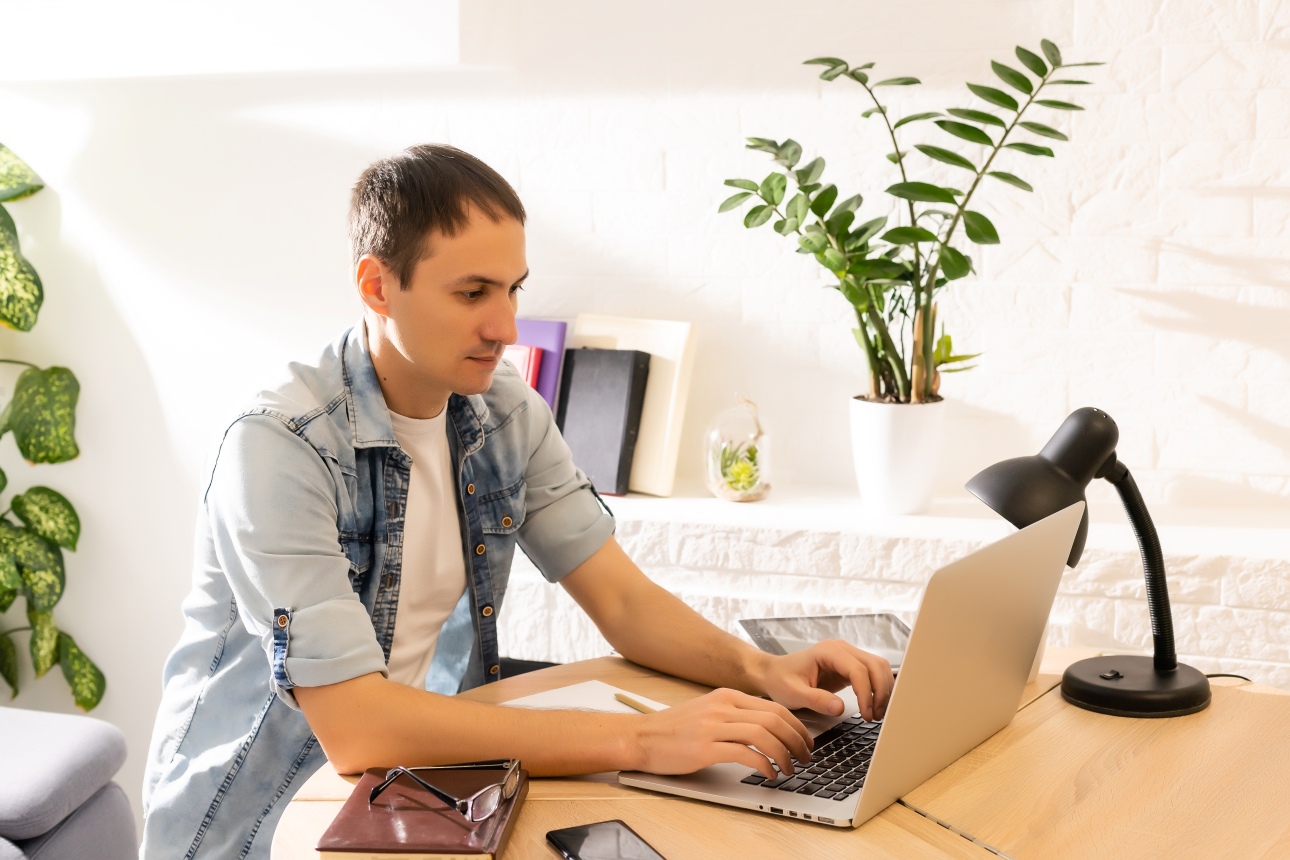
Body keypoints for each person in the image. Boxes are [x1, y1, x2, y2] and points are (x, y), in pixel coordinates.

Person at [139, 144, 893, 859]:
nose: (504, 327)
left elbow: (622, 599)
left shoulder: (501, 410)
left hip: (409, 798)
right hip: (256, 825)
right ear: (376, 286)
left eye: (512, 290)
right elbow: (358, 726)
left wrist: (760, 670)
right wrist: (644, 739)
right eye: (472, 293)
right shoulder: (280, 446)